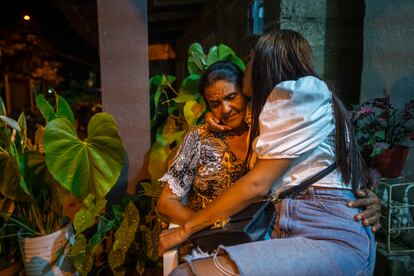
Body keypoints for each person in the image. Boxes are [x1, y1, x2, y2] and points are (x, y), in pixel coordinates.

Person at [159, 30, 378, 276]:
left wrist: (185, 229)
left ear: (265, 63)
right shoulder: (209, 134)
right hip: (270, 228)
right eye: (215, 103)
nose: (225, 108)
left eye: (251, 59)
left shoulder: (296, 99)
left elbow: (259, 184)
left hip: (309, 226)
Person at [157, 61, 249, 224]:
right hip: (208, 240)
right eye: (215, 104)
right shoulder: (200, 137)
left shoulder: (265, 130)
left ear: (245, 92)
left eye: (231, 97)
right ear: (208, 107)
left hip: (259, 237)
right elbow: (166, 203)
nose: (225, 109)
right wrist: (209, 228)